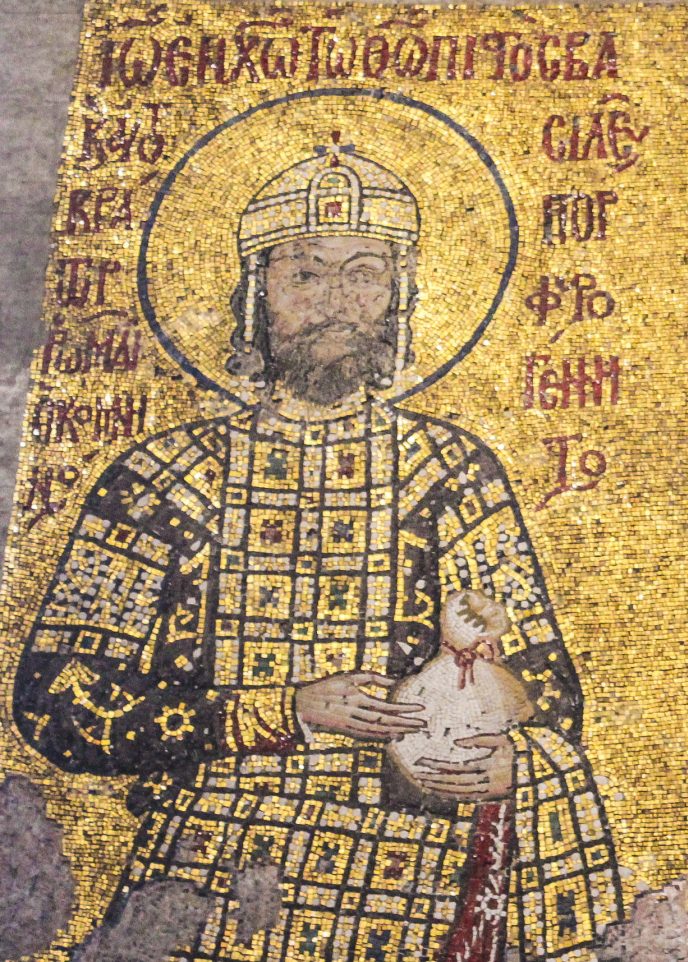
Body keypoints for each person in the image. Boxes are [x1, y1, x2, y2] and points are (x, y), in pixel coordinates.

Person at [11, 142, 623, 962]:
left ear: (399, 296)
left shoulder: (451, 474)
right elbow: (58, 697)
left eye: (364, 274)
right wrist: (282, 710)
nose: (337, 301)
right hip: (206, 871)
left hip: (412, 874)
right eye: (304, 274)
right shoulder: (163, 479)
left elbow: (544, 683)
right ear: (255, 295)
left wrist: (513, 758)